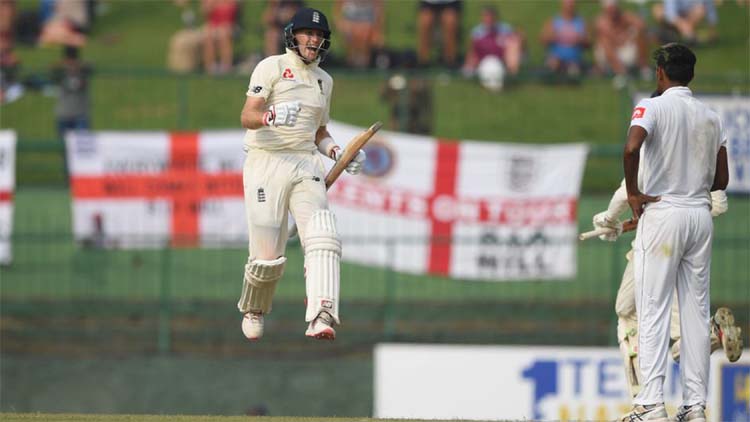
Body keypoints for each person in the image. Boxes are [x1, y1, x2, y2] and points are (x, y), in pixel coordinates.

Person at [237, 7, 366, 342]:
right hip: (267, 159)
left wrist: (337, 151)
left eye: (320, 35)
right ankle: (255, 306)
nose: (314, 40)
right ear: (292, 35)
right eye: (308, 33)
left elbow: (319, 131)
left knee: (323, 233)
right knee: (267, 253)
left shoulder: (325, 81)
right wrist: (271, 116)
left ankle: (322, 312)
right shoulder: (272, 67)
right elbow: (247, 116)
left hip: (306, 162)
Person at [619, 42, 729, 422]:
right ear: (692, 75)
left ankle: (650, 405)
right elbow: (722, 179)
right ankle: (694, 407)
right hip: (699, 216)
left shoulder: (652, 106)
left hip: (662, 212)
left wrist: (633, 192)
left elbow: (631, 148)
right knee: (697, 313)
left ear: (660, 74)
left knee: (653, 309)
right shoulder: (712, 116)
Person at [590, 177, 743, 400]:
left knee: (626, 311)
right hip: (692, 241)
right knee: (682, 339)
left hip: (655, 246)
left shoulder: (652, 145)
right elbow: (719, 204)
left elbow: (626, 193)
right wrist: (627, 225)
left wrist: (608, 219)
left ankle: (644, 399)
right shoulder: (706, 146)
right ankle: (712, 333)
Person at [461, 5, 523, 92]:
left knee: (513, 44)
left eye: (490, 16)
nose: (488, 19)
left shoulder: (505, 30)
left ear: (495, 17)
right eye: (485, 16)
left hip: (502, 59)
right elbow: (472, 51)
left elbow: (516, 44)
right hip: (483, 60)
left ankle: (511, 76)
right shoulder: (477, 33)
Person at [593, 0, 650, 88]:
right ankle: (621, 73)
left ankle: (644, 68)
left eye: (614, 9)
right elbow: (610, 40)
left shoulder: (624, 16)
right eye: (610, 9)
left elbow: (641, 25)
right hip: (608, 56)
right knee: (604, 42)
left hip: (624, 50)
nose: (612, 11)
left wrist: (629, 34)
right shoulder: (601, 22)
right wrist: (621, 38)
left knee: (639, 35)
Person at [51, 46, 91, 143]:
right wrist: (63, 65)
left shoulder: (83, 71)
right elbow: (51, 68)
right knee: (64, 147)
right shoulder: (60, 72)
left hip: (80, 115)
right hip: (63, 115)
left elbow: (91, 66)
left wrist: (77, 66)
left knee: (82, 146)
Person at [540, 0, 590, 78]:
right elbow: (543, 39)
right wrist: (553, 37)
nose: (569, 7)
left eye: (571, 4)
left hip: (574, 59)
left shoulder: (581, 22)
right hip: (556, 58)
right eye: (567, 4)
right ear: (562, 5)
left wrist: (580, 40)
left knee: (573, 73)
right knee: (554, 65)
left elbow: (588, 44)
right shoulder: (554, 21)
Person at [334, 0, 384, 69]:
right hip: (350, 23)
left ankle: (364, 61)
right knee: (351, 30)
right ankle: (352, 60)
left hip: (368, 25)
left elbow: (379, 13)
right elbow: (337, 15)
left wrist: (378, 31)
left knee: (366, 32)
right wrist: (340, 25)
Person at [416, 0, 462, 67]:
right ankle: (423, 61)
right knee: (425, 24)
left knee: (450, 25)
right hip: (429, 2)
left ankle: (450, 60)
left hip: (449, 2)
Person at [652, 0, 718, 44]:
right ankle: (668, 34)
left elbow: (709, 7)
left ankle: (687, 37)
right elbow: (670, 14)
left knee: (700, 10)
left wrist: (712, 30)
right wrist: (684, 26)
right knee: (658, 10)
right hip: (676, 18)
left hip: (689, 16)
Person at [201, 0, 238, 74]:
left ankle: (226, 66)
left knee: (223, 33)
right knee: (208, 35)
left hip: (229, 25)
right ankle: (210, 67)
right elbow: (205, 14)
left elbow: (232, 13)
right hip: (213, 26)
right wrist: (209, 6)